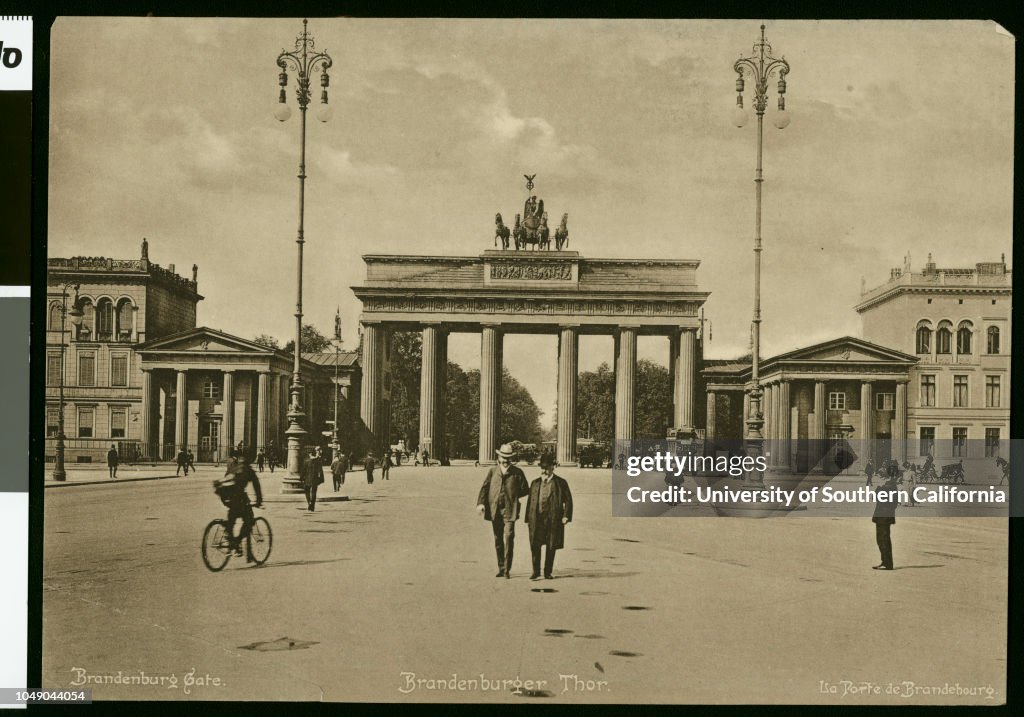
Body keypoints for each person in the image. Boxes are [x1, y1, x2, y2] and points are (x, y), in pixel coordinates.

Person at [476, 443, 530, 579]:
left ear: (511, 458)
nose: (506, 460)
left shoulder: (517, 472)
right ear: (499, 457)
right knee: (497, 539)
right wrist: (481, 503)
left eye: (508, 458)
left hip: (510, 510)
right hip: (495, 510)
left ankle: (507, 568)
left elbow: (525, 489)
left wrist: (513, 495)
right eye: (503, 457)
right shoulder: (493, 471)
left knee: (509, 537)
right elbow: (484, 488)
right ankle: (501, 567)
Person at [525, 452, 573, 580]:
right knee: (535, 545)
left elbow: (568, 500)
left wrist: (566, 516)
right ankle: (535, 571)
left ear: (553, 467)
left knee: (551, 546)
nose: (544, 470)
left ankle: (547, 572)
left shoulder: (561, 483)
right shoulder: (535, 483)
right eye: (542, 468)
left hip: (553, 519)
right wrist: (528, 518)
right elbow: (530, 501)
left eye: (546, 468)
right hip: (537, 519)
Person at [215, 449, 263, 563]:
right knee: (249, 522)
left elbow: (225, 479)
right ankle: (236, 542)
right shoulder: (247, 469)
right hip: (240, 499)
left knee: (231, 520)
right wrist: (259, 501)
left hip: (227, 498)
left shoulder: (233, 467)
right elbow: (256, 486)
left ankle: (231, 540)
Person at [872, 472, 899, 570]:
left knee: (883, 540)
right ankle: (885, 561)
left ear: (885, 478)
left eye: (881, 477)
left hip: (883, 517)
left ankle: (887, 563)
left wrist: (879, 487)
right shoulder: (890, 486)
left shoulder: (888, 487)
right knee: (881, 540)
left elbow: (875, 497)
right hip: (883, 517)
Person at [302, 446, 325, 512]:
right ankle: (312, 505)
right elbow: (320, 471)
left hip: (307, 479)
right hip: (315, 479)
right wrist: (321, 479)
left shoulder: (306, 461)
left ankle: (309, 502)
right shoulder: (318, 461)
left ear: (310, 454)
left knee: (307, 491)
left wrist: (301, 478)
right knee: (314, 492)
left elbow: (303, 471)